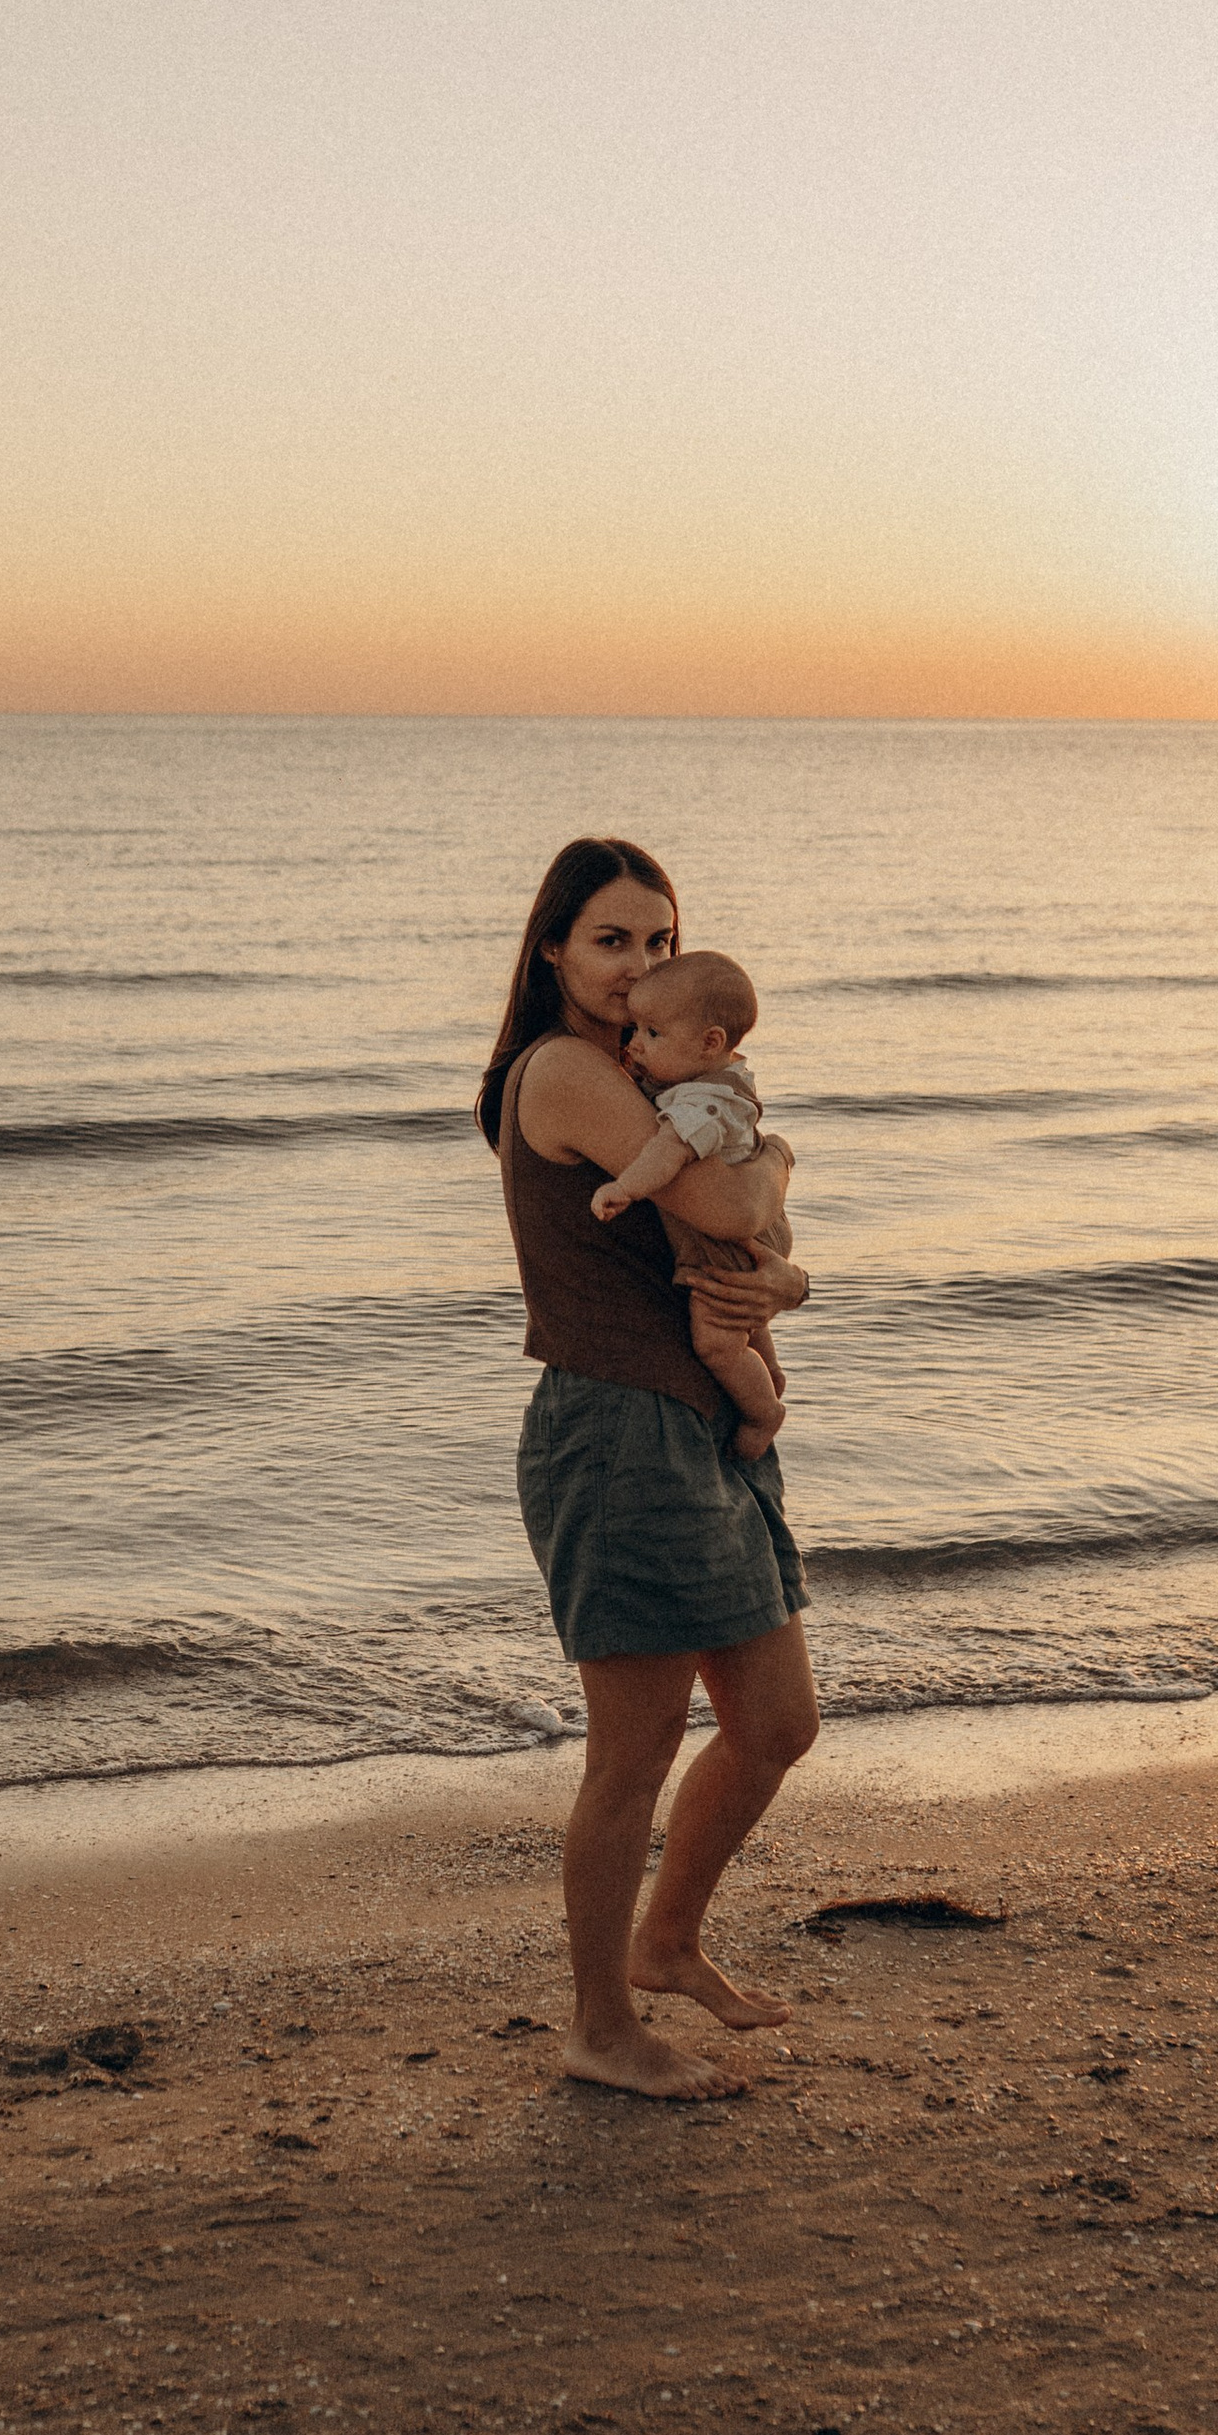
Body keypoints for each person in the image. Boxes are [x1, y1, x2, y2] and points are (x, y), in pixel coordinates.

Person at [478, 837, 816, 2101]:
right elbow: (730, 1211)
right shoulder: (564, 1070)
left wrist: (781, 1271)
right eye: (611, 940)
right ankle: (599, 2027)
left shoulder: (663, 1075)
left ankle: (666, 1943)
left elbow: (763, 1251)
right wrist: (778, 1164)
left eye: (659, 942)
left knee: (775, 1725)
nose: (638, 965)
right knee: (632, 1755)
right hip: (615, 1433)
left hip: (701, 1427)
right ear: (553, 951)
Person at [591, 948, 792, 1458]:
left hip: (721, 1241)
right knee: (746, 1317)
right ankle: (768, 1371)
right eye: (636, 1029)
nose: (635, 1043)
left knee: (717, 1343)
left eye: (652, 1034)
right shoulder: (715, 1079)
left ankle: (763, 1412)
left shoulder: (702, 1103)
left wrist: (626, 1187)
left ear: (710, 1042)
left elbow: (668, 1150)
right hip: (756, 1228)